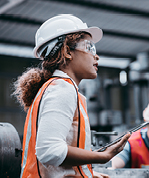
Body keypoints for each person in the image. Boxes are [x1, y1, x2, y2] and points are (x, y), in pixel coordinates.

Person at [12, 14, 130, 178]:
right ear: (67, 51)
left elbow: (54, 164)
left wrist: (87, 172)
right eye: (89, 47)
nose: (96, 56)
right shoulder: (62, 89)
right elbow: (49, 151)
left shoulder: (58, 88)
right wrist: (102, 156)